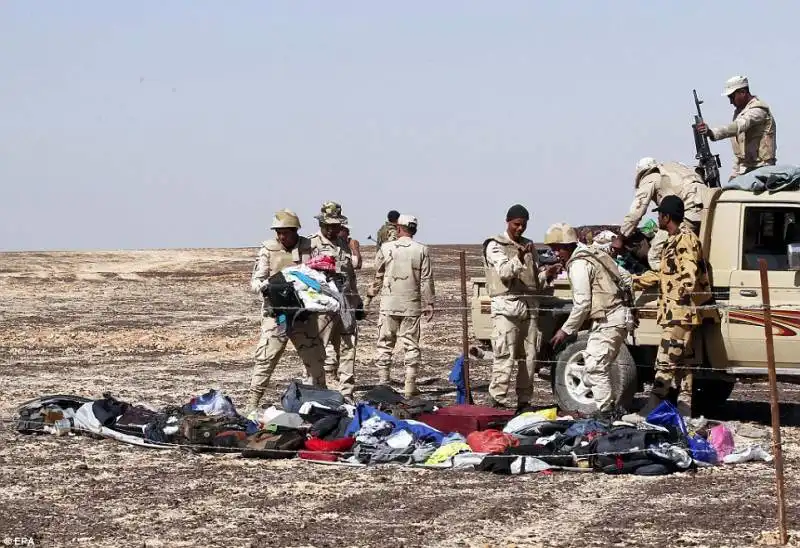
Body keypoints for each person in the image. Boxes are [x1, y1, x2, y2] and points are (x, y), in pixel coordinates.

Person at [632, 195, 714, 413]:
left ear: (667, 216)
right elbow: (665, 274)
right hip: (678, 312)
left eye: (660, 214)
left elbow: (689, 273)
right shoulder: (675, 239)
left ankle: (651, 407)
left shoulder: (685, 239)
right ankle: (685, 410)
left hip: (679, 313)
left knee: (665, 362)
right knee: (684, 364)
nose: (658, 218)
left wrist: (685, 292)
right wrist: (634, 281)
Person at [247, 209, 328, 414]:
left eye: (286, 232)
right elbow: (255, 281)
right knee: (266, 358)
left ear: (295, 231)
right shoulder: (268, 249)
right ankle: (252, 404)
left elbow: (320, 276)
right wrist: (267, 286)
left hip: (303, 316)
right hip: (278, 316)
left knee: (315, 361)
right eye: (279, 232)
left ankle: (322, 402)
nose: (282, 236)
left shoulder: (309, 247)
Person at [546, 223, 631, 415]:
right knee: (598, 365)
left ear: (566, 246)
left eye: (556, 249)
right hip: (616, 317)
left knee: (594, 367)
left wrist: (566, 330)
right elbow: (625, 276)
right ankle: (609, 412)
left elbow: (583, 303)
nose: (555, 254)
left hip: (608, 318)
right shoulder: (593, 254)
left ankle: (607, 414)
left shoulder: (578, 264)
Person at [482, 204, 561, 410]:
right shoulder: (495, 245)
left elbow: (534, 281)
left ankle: (524, 401)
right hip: (507, 307)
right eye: (517, 224)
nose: (520, 229)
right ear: (508, 222)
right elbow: (505, 273)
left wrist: (548, 275)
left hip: (530, 307)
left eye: (523, 225)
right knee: (504, 354)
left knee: (529, 357)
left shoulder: (529, 246)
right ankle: (498, 400)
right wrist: (518, 257)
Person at [365, 214, 435, 397]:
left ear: (398, 228)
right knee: (411, 344)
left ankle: (384, 383)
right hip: (411, 304)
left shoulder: (386, 248)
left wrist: (368, 299)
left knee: (385, 344)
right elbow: (426, 279)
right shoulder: (422, 250)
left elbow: (377, 277)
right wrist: (429, 302)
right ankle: (409, 385)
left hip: (389, 303)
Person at [308, 201, 361, 401]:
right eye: (327, 225)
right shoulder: (311, 244)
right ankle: (317, 391)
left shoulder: (344, 245)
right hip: (322, 307)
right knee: (318, 350)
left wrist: (357, 301)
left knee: (348, 348)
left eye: (335, 225)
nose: (331, 229)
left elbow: (350, 277)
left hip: (346, 306)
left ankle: (346, 393)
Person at [619, 157, 706, 271]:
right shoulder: (675, 168)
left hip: (687, 212)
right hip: (707, 209)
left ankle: (666, 283)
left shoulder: (651, 176)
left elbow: (637, 210)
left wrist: (621, 236)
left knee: (655, 255)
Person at [697, 75, 776, 181]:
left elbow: (739, 126)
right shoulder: (739, 112)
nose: (730, 102)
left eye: (732, 97)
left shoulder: (758, 110)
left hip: (762, 169)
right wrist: (734, 175)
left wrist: (712, 132)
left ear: (742, 92)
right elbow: (739, 153)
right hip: (745, 170)